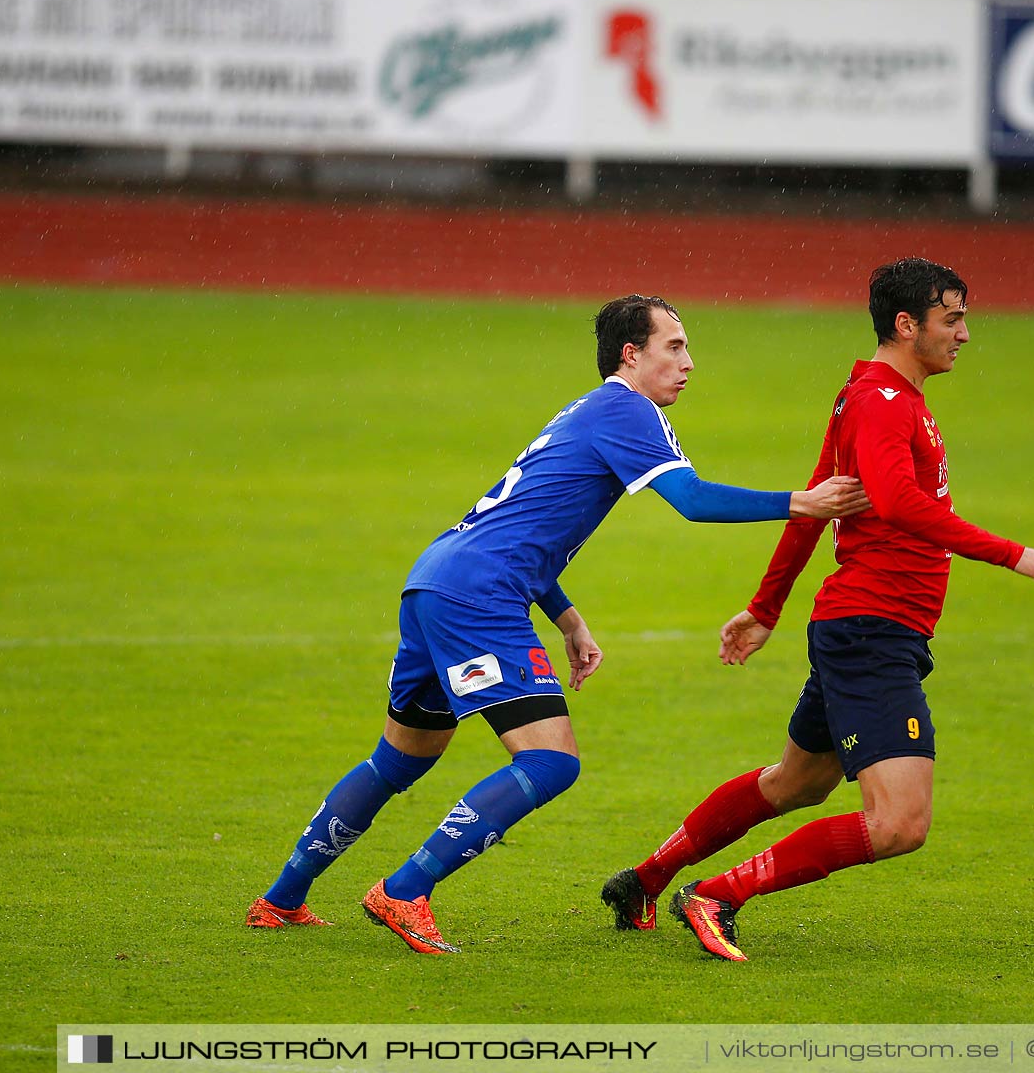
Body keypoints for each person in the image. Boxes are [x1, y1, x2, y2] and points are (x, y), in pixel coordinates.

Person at [246, 294, 869, 954]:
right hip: (479, 595)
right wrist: (804, 502)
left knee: (401, 757)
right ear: (632, 355)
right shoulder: (630, 409)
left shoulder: (590, 409)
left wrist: (568, 621)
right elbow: (692, 500)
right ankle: (404, 890)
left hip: (437, 578)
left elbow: (524, 527)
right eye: (675, 347)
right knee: (549, 761)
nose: (688, 363)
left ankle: (281, 898)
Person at [600, 259, 1034, 962]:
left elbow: (814, 503)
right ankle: (717, 894)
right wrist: (1011, 553)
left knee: (797, 781)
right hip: (873, 630)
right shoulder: (881, 402)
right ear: (907, 325)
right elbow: (896, 502)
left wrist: (765, 607)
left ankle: (643, 881)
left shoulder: (867, 396)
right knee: (900, 823)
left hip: (861, 627)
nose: (965, 334)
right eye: (953, 319)